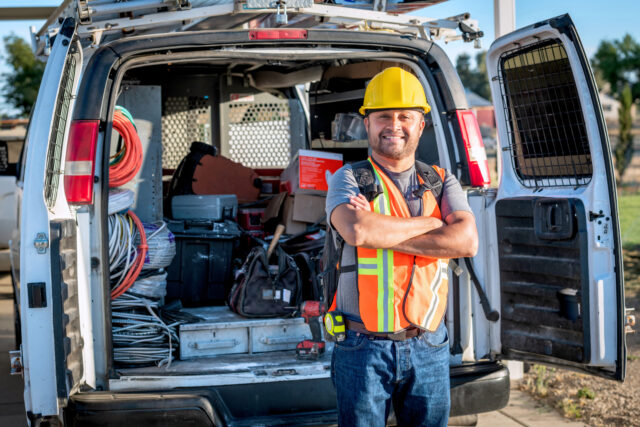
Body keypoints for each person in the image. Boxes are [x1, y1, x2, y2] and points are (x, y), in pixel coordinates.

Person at [325, 66, 479, 427]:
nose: (393, 125)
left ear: (420, 124)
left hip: (428, 345)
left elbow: (467, 241)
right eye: (383, 116)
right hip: (362, 347)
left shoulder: (441, 181)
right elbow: (359, 230)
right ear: (367, 123)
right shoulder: (348, 178)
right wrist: (434, 224)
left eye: (404, 116)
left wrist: (385, 231)